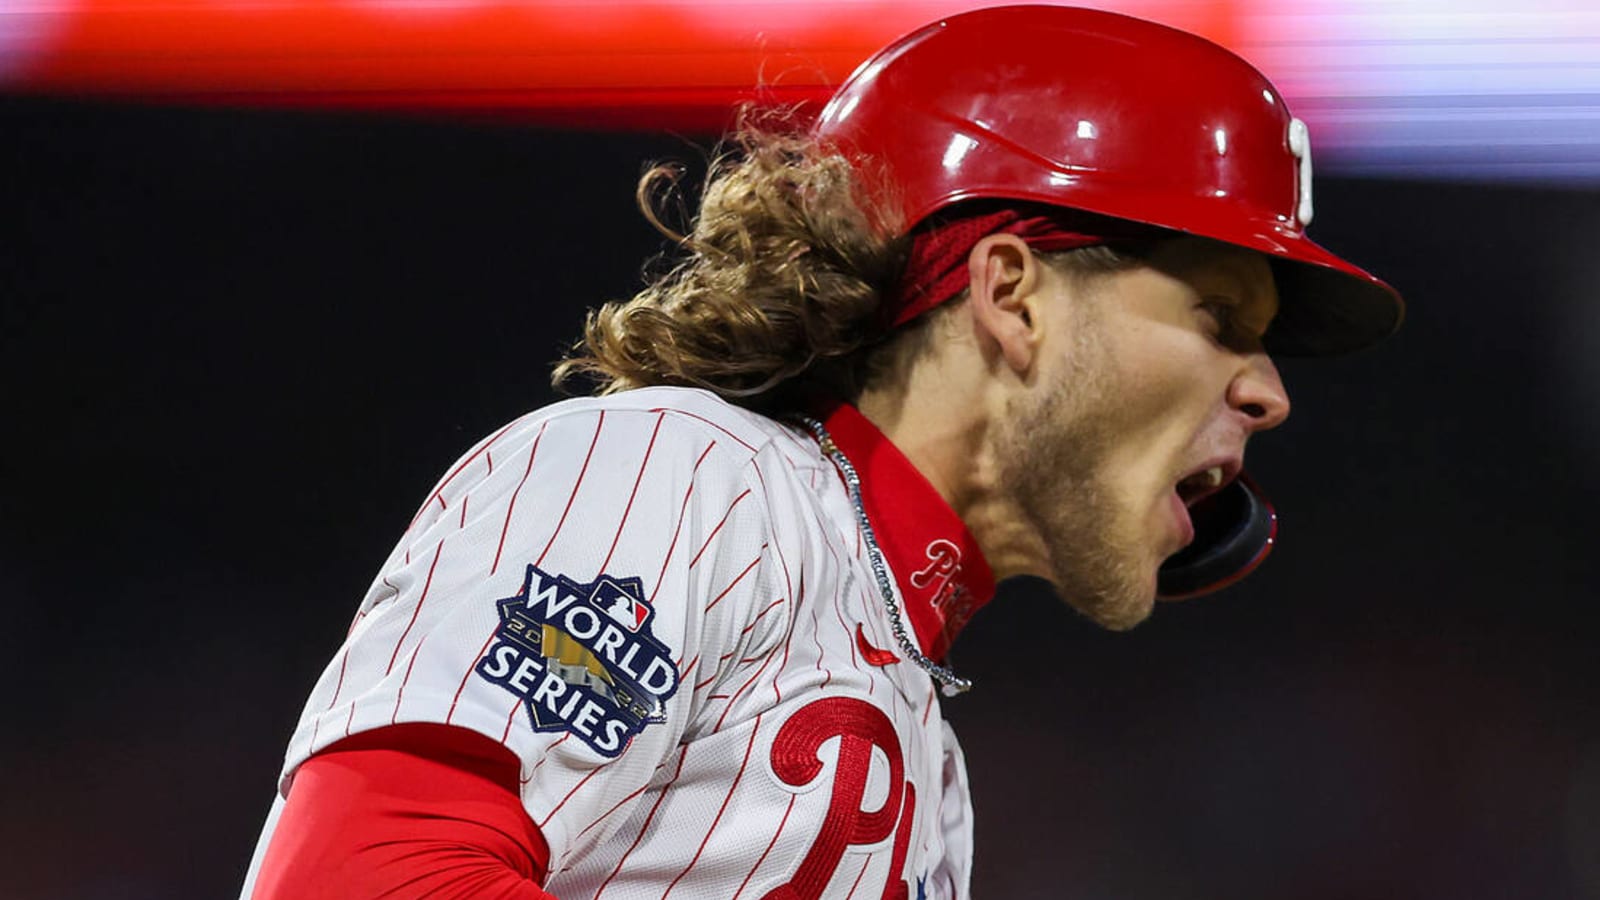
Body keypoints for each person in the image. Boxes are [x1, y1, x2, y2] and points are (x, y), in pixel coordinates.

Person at [240, 6, 1403, 898]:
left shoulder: (930, 763)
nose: (1265, 394)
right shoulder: (680, 476)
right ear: (1012, 293)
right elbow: (362, 874)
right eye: (1220, 320)